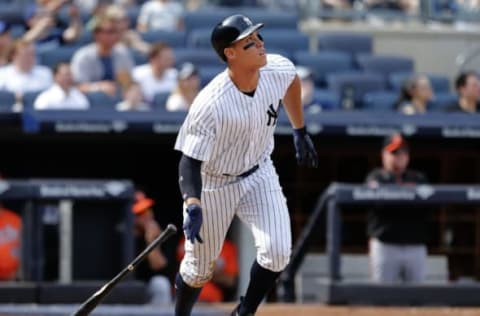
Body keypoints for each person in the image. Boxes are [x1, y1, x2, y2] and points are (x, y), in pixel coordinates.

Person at [173, 14, 318, 316]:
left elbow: (291, 81)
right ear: (231, 53)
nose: (261, 44)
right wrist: (193, 203)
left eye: (259, 38)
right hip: (215, 181)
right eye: (250, 42)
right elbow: (189, 162)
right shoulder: (210, 103)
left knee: (277, 252)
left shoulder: (276, 68)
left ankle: (244, 311)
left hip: (259, 172)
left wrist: (299, 129)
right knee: (199, 269)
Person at [365, 133, 429, 284]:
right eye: (394, 152)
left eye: (403, 152)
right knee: (382, 297)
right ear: (384, 155)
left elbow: (425, 208)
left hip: (415, 246)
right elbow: (378, 205)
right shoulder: (376, 177)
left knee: (417, 298)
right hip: (385, 245)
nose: (399, 156)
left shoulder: (418, 178)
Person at [71, 13, 134, 96]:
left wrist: (125, 81)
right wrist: (99, 87)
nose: (114, 36)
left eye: (115, 32)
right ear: (96, 34)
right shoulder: (83, 56)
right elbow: (77, 87)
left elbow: (129, 83)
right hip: (90, 102)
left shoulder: (122, 53)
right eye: (109, 32)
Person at [132, 190, 172, 305]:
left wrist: (152, 241)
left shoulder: (158, 234)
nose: (147, 215)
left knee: (160, 284)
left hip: (148, 288)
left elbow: (159, 267)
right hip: (126, 288)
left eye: (148, 210)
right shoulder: (123, 236)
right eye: (140, 213)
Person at [176, 234, 239, 302]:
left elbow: (230, 281)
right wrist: (211, 270)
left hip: (212, 300)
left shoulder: (227, 246)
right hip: (185, 295)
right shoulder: (189, 238)